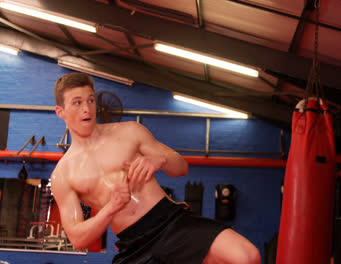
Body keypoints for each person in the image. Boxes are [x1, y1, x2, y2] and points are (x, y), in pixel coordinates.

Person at [51, 72, 261, 264]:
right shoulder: (63, 174)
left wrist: (159, 160)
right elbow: (78, 239)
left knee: (246, 256)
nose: (87, 109)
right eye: (77, 103)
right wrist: (111, 208)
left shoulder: (129, 132)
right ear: (60, 112)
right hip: (133, 245)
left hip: (171, 223)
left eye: (90, 100)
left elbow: (181, 167)